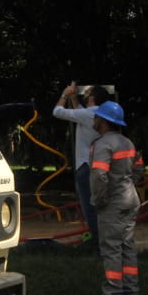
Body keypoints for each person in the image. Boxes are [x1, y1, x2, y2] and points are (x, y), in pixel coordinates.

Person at [89, 101, 141, 295]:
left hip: (113, 203)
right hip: (130, 199)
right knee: (127, 246)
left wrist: (100, 199)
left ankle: (113, 294)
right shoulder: (127, 142)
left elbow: (99, 176)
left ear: (103, 121)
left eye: (96, 116)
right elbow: (138, 168)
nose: (93, 119)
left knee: (111, 248)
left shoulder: (102, 145)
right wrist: (126, 184)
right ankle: (131, 290)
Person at [53, 81, 109, 244]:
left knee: (89, 209)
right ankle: (104, 240)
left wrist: (65, 94)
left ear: (93, 98)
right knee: (101, 206)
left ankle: (98, 243)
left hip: (85, 167)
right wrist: (74, 99)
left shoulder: (88, 114)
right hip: (100, 166)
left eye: (88, 93)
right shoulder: (100, 114)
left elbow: (57, 111)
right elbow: (80, 114)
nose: (86, 95)